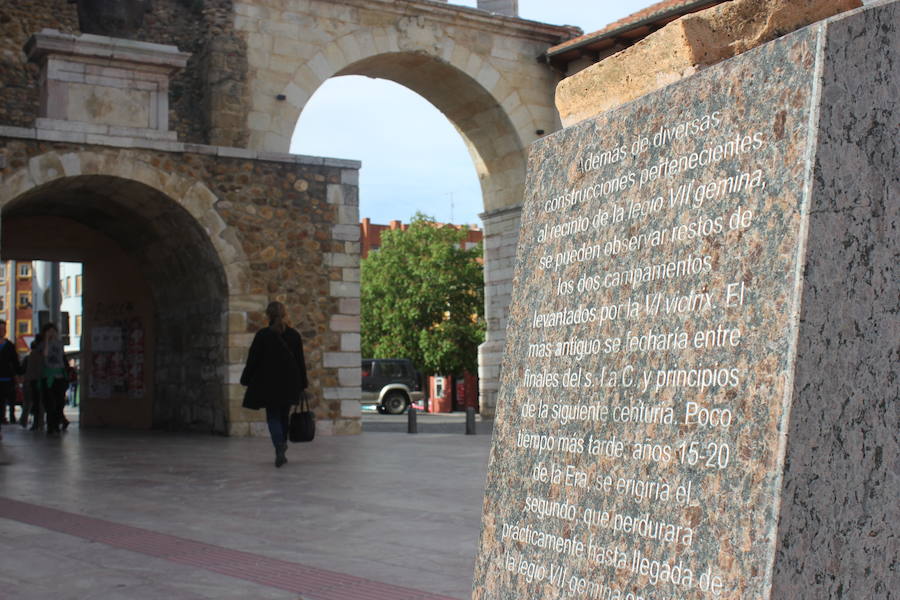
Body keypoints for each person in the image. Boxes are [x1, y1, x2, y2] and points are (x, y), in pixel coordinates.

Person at [240, 301, 308, 467]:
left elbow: (253, 361)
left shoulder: (262, 336)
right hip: (290, 384)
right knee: (284, 416)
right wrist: (303, 384)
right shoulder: (294, 335)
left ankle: (279, 445)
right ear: (284, 314)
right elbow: (300, 362)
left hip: (269, 384)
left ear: (268, 315)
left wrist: (246, 379)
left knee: (273, 417)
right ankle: (281, 446)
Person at [41, 323, 69, 436]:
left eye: (54, 331)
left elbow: (62, 358)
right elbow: (45, 354)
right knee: (49, 403)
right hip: (48, 377)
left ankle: (57, 424)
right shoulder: (42, 344)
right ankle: (50, 425)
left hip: (60, 376)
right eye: (49, 331)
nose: (52, 333)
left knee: (59, 402)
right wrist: (47, 340)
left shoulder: (60, 344)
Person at [0, 320, 22, 439]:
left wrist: (20, 374)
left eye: (4, 329)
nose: (2, 331)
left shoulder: (9, 346)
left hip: (6, 380)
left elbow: (15, 363)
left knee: (3, 404)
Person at [23, 335, 44, 431]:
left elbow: (27, 370)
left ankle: (32, 421)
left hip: (33, 380)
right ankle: (39, 422)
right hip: (39, 380)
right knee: (38, 402)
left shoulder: (32, 355)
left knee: (31, 402)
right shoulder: (40, 354)